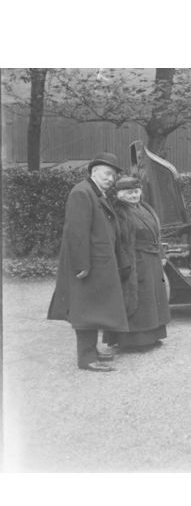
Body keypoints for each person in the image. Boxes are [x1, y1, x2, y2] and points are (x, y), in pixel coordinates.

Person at [47, 152, 128, 372]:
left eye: (113, 175)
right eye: (106, 174)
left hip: (97, 262)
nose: (110, 179)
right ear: (94, 172)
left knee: (93, 308)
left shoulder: (94, 192)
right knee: (86, 310)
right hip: (88, 264)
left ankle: (92, 351)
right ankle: (86, 358)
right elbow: (77, 232)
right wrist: (81, 265)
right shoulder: (82, 192)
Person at [102, 176, 171, 351]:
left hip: (152, 259)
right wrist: (124, 262)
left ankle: (153, 336)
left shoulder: (144, 207)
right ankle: (134, 342)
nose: (133, 195)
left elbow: (156, 234)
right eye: (129, 193)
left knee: (153, 298)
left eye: (136, 191)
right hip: (134, 260)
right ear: (119, 194)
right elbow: (118, 240)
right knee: (138, 300)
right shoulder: (118, 212)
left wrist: (161, 254)